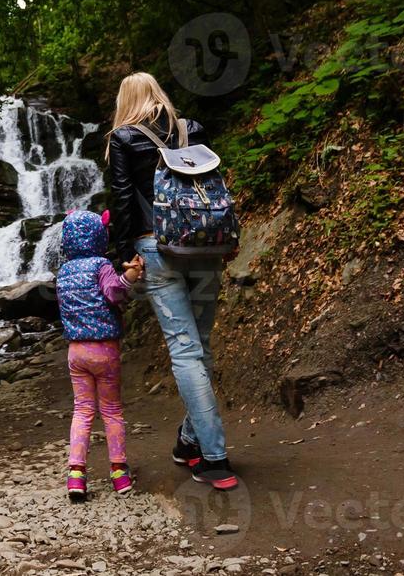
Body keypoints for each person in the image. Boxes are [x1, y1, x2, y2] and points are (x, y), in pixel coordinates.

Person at [106, 72, 238, 490]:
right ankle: (188, 442)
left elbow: (123, 199)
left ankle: (215, 459)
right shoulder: (192, 129)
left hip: (157, 250)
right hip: (205, 248)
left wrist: (121, 253)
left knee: (185, 352)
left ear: (126, 102)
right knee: (201, 347)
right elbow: (212, 190)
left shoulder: (123, 139)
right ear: (160, 95)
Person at [55, 208, 144, 503]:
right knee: (111, 410)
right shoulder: (101, 265)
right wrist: (130, 276)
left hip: (75, 351)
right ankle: (119, 474)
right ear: (98, 236)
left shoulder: (64, 272)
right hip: (105, 350)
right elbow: (114, 293)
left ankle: (76, 475)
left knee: (82, 410)